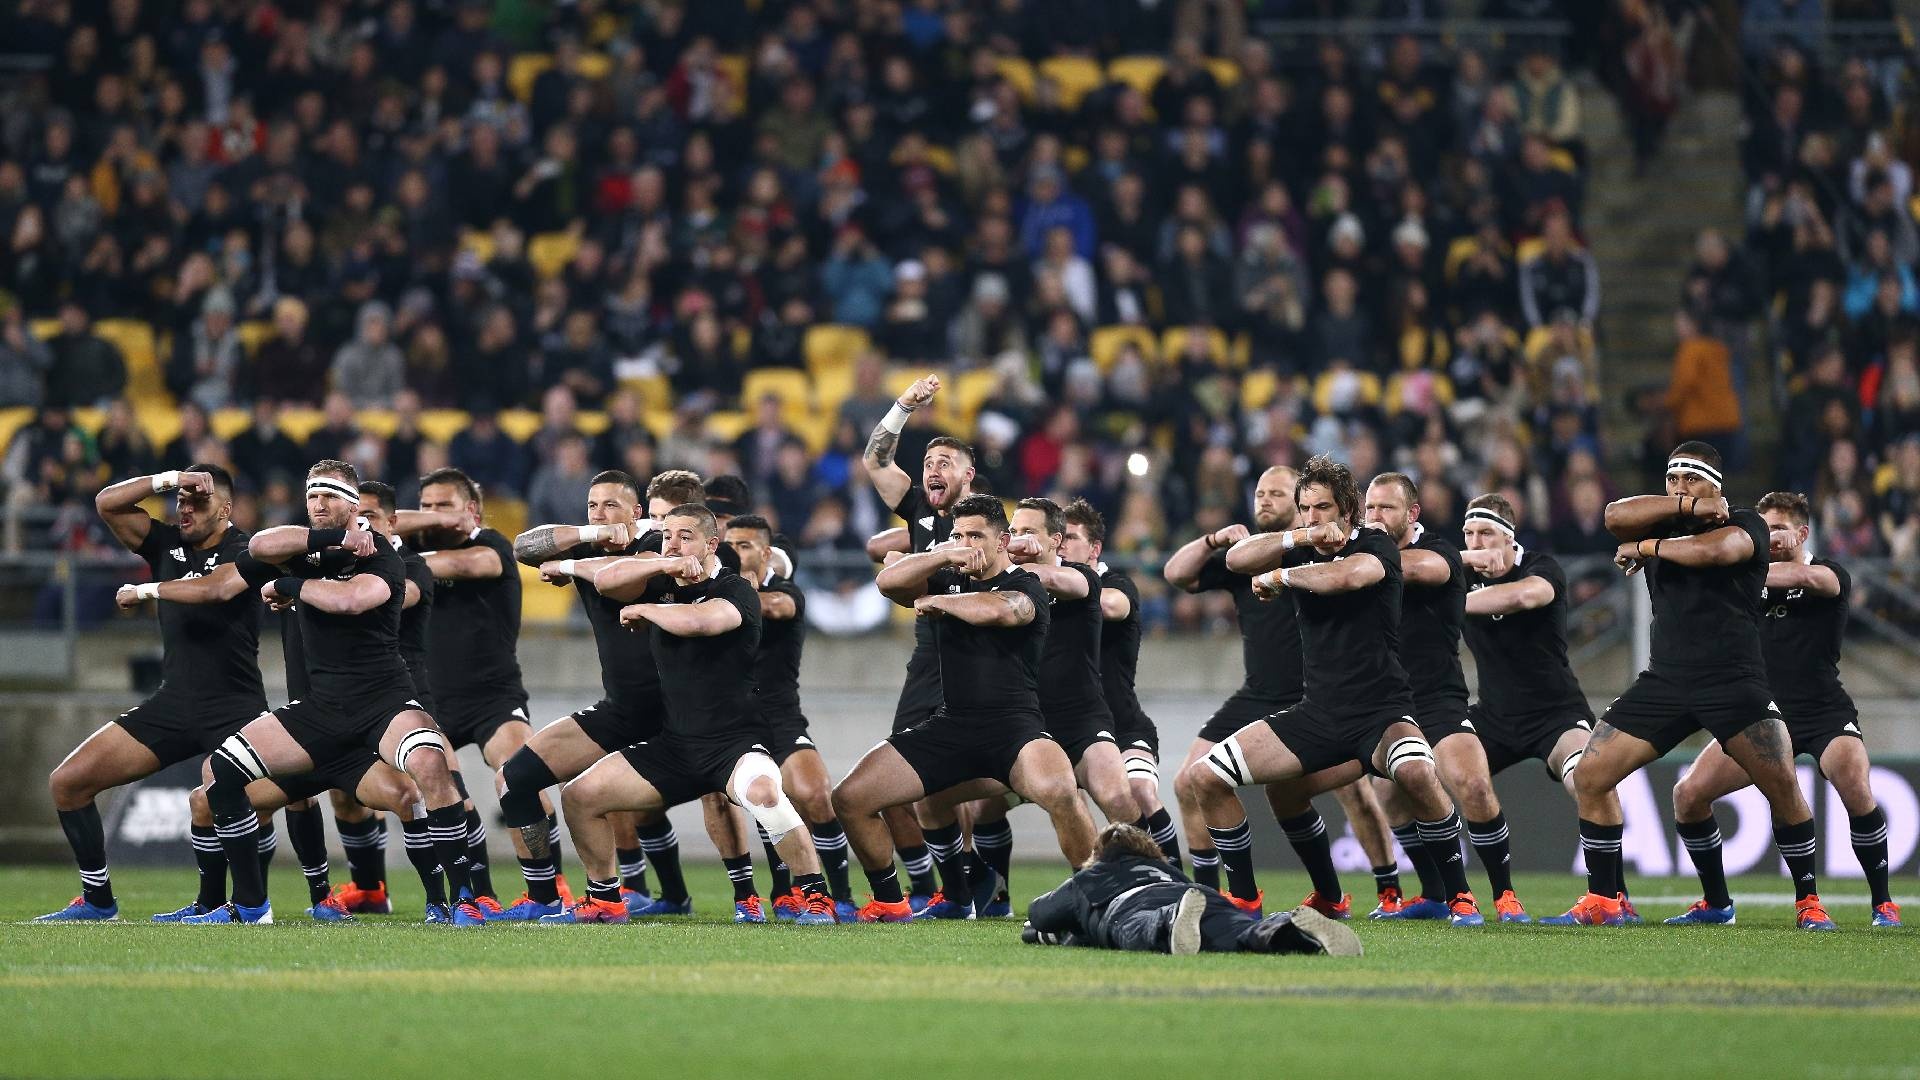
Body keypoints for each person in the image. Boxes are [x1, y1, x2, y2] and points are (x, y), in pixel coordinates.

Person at [1183, 455, 1486, 927]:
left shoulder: (1377, 544)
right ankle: (1261, 899)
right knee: (1206, 778)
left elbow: (1348, 576)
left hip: (1382, 712)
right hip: (1318, 714)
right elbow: (1235, 559)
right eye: (1305, 507)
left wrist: (1283, 576)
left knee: (1416, 774)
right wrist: (1299, 538)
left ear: (1349, 509)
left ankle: (1459, 895)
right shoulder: (1300, 542)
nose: (1313, 516)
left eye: (1322, 507)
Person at [1547, 442, 1832, 929]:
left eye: (1691, 480)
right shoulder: (1664, 516)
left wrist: (1647, 548)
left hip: (1734, 680)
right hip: (1667, 679)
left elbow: (1716, 551)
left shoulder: (1747, 523)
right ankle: (1605, 900)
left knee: (1782, 784)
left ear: (1715, 486)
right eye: (1672, 479)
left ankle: (1809, 900)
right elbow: (1614, 516)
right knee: (1591, 776)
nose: (1680, 487)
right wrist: (1681, 508)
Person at [188, 460, 484, 925]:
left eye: (330, 495)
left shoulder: (384, 553)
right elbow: (261, 543)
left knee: (429, 765)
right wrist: (326, 542)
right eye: (312, 495)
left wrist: (290, 584)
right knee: (219, 773)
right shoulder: (308, 548)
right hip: (320, 708)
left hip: (381, 700)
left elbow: (351, 600)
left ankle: (460, 898)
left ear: (353, 505)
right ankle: (251, 905)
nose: (319, 504)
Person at [544, 503, 837, 925]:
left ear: (711, 544)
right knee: (579, 796)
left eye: (686, 536)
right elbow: (608, 580)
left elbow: (702, 621)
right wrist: (632, 566)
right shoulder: (660, 581)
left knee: (766, 797)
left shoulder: (736, 589)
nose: (674, 544)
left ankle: (816, 897)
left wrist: (648, 610)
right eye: (667, 536)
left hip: (735, 743)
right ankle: (605, 899)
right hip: (676, 744)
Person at [834, 494, 1099, 921]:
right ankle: (905, 901)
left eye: (976, 535)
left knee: (1061, 792)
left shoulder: (1026, 582)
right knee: (850, 797)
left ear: (1002, 541)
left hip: (1015, 729)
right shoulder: (947, 575)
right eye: (958, 535)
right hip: (951, 726)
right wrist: (941, 556)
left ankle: (1098, 896)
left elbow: (1006, 611)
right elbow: (888, 582)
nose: (966, 544)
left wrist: (941, 602)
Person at [1162, 465, 1399, 917]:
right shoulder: (1262, 549)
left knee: (1357, 796)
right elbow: (1179, 573)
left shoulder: (1347, 546)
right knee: (1189, 781)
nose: (1265, 500)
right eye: (1260, 493)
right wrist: (1214, 540)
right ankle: (1211, 894)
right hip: (1257, 694)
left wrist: (1292, 561)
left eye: (1277, 493)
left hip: (1315, 694)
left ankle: (1387, 887)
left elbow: (1353, 574)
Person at [38, 465, 270, 922]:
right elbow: (107, 503)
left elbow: (218, 589)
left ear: (225, 508)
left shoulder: (246, 548)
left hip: (236, 706)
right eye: (180, 501)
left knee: (232, 801)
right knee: (68, 783)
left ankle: (234, 904)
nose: (184, 509)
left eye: (197, 502)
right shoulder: (167, 542)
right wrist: (171, 479)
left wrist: (147, 589)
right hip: (174, 704)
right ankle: (98, 898)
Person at [1667, 491, 1900, 928]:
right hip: (1762, 713)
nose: (1769, 536)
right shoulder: (1746, 585)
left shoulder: (1828, 573)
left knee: (1854, 781)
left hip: (1824, 710)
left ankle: (1883, 902)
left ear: (1802, 532)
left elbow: (1814, 582)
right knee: (1688, 795)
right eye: (1763, 528)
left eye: (1777, 528)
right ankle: (1720, 904)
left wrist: (1738, 570)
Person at [503, 469, 703, 920]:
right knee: (514, 778)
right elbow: (523, 547)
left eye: (611, 505)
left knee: (732, 797)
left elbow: (617, 580)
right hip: (626, 708)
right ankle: (544, 897)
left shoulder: (657, 547)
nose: (600, 513)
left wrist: (571, 566)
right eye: (592, 505)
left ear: (637, 512)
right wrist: (593, 534)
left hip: (683, 712)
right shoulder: (590, 541)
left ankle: (769, 893)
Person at [1361, 474, 1532, 924]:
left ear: (1411, 514)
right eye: (1370, 508)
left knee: (1472, 783)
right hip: (1383, 702)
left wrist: (1355, 558)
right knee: (1388, 794)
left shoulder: (1434, 551)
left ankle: (1504, 895)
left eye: (1387, 508)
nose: (1377, 517)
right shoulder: (1362, 554)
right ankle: (1436, 893)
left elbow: (1414, 568)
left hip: (1437, 699)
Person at [961, 496, 1136, 916]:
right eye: (1014, 531)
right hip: (1029, 724)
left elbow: (1061, 583)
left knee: (1119, 797)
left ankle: (1141, 887)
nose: (1019, 539)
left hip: (1081, 719)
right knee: (977, 806)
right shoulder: (1007, 582)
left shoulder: (1080, 576)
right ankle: (993, 898)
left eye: (1029, 532)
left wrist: (1014, 562)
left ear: (1056, 540)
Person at [390, 467, 546, 912]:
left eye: (445, 505)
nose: (434, 515)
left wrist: (402, 564)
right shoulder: (410, 549)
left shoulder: (492, 543)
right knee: (443, 793)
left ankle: (546, 890)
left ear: (471, 509)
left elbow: (463, 564)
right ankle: (481, 893)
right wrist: (423, 528)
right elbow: (374, 520)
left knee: (520, 777)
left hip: (493, 696)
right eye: (427, 507)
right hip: (430, 699)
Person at [1458, 493, 1612, 920]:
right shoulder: (1459, 573)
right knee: (1431, 778)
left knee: (1588, 777)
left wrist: (1448, 603)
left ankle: (1611, 895)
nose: (1476, 543)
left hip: (1556, 713)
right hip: (1492, 715)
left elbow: (1524, 597)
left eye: (1486, 532)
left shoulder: (1541, 567)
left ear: (1510, 538)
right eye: (1468, 534)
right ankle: (1486, 895)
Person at [859, 373, 976, 906]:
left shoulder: (987, 518)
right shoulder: (920, 511)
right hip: (932, 652)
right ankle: (947, 890)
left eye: (944, 463)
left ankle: (976, 881)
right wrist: (904, 404)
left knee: (975, 783)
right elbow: (876, 461)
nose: (933, 470)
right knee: (908, 774)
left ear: (968, 476)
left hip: (985, 651)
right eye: (929, 463)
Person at [725, 513, 858, 921]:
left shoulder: (785, 592)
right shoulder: (710, 593)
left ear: (767, 553)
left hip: (781, 717)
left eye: (745, 546)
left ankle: (841, 895)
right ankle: (772, 894)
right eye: (731, 546)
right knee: (756, 799)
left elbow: (778, 607)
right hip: (731, 722)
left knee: (816, 794)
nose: (737, 553)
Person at [1021, 824, 1363, 957]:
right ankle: (1291, 928)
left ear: (1099, 855)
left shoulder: (1090, 878)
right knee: (1241, 933)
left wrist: (1041, 931)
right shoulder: (1166, 870)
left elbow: (1041, 914)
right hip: (1196, 896)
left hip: (1133, 907)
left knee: (1138, 929)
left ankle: (1169, 923)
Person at [1060, 499, 1181, 868]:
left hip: (1122, 725)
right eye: (1057, 538)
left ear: (1094, 548)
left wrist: (1051, 577)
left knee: (1139, 792)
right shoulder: (1046, 594)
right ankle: (991, 894)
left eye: (1069, 537)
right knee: (985, 802)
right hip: (1065, 725)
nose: (1060, 546)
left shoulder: (1116, 584)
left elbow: (1112, 606)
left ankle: (1174, 880)